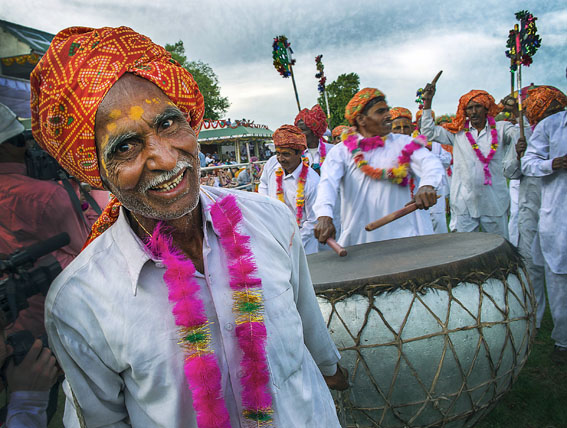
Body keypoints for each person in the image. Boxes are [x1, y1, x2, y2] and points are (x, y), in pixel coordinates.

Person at [33, 26, 347, 427]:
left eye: (168, 124)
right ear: (96, 171)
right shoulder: (79, 301)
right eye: (125, 146)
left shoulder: (270, 220)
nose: (164, 158)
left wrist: (328, 366)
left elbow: (307, 324)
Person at [313, 88, 444, 247]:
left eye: (387, 110)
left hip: (404, 238)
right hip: (360, 240)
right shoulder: (340, 152)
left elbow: (430, 163)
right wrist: (324, 216)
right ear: (361, 119)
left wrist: (427, 185)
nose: (388, 116)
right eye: (381, 112)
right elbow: (327, 184)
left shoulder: (403, 143)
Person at [420, 83, 520, 238]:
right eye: (469, 108)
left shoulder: (501, 128)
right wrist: (428, 103)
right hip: (463, 202)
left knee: (497, 246)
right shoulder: (457, 132)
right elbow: (428, 132)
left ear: (486, 108)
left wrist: (517, 112)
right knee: (464, 247)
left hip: (494, 202)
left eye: (478, 107)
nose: (473, 112)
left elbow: (521, 135)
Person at [504, 86, 567, 331]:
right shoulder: (524, 132)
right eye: (547, 109)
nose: (553, 113)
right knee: (533, 266)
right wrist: (518, 154)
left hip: (556, 211)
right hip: (531, 210)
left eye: (556, 108)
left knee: (557, 266)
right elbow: (511, 172)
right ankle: (535, 319)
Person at [521, 86, 567, 365]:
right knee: (559, 278)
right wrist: (553, 163)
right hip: (559, 216)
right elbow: (528, 163)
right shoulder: (551, 126)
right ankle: (563, 343)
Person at [259, 125, 320, 254]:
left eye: (286, 154)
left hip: (303, 244)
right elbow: (263, 184)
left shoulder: (312, 182)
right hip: (275, 236)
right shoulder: (272, 164)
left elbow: (313, 221)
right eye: (278, 153)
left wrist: (292, 244)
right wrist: (266, 203)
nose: (281, 159)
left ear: (299, 153)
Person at [294, 104, 334, 174]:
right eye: (298, 130)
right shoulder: (296, 154)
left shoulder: (332, 150)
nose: (299, 134)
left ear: (314, 131)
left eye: (303, 130)